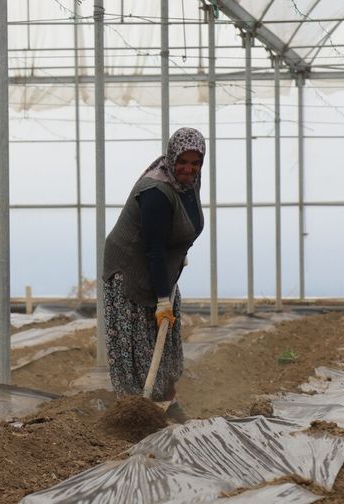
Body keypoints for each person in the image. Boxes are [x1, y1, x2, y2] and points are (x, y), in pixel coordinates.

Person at [103, 127, 206, 423]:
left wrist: (180, 249)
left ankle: (167, 402)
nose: (188, 169)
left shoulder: (189, 184)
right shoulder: (156, 191)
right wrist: (162, 300)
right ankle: (136, 409)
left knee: (166, 337)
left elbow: (181, 225)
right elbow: (154, 248)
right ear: (171, 158)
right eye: (182, 162)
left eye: (195, 163)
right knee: (137, 342)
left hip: (162, 265)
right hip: (131, 270)